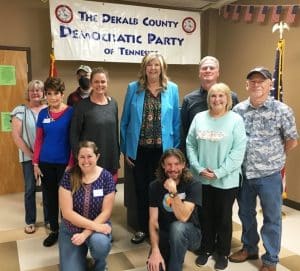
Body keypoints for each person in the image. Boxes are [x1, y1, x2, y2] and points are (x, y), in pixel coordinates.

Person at [229, 67, 298, 271]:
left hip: (270, 175)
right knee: (245, 214)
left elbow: (292, 140)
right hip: (245, 174)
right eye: (253, 81)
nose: (257, 85)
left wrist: (273, 158)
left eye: (262, 81)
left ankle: (270, 259)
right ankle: (249, 247)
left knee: (272, 217)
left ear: (270, 85)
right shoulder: (238, 110)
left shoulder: (282, 110)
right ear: (247, 85)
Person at [120, 52, 180, 244]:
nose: (153, 68)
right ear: (144, 68)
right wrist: (125, 149)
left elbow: (176, 123)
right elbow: (125, 121)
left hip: (163, 152)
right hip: (139, 150)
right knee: (141, 190)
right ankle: (142, 228)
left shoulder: (172, 89)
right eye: (149, 65)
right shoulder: (134, 88)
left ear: (162, 68)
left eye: (157, 65)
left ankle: (161, 226)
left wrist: (174, 152)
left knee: (163, 190)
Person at [186, 83, 247, 270]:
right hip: (202, 177)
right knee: (205, 216)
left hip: (226, 180)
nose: (217, 99)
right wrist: (198, 168)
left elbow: (238, 152)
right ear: (208, 99)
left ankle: (223, 252)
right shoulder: (199, 117)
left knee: (223, 217)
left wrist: (218, 172)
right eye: (213, 96)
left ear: (228, 99)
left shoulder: (235, 120)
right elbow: (190, 144)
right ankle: (206, 249)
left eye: (221, 96)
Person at [59, 141, 115, 271]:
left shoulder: (106, 177)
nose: (86, 161)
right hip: (71, 229)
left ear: (97, 157)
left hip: (97, 228)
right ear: (77, 158)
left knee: (100, 244)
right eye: (82, 157)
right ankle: (80, 257)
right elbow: (67, 213)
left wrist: (85, 234)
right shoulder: (69, 176)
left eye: (89, 156)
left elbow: (106, 212)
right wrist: (95, 227)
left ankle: (100, 265)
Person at [33, 77, 73, 247]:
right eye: (49, 94)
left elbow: (74, 140)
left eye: (56, 93)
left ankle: (66, 229)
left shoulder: (71, 112)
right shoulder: (43, 113)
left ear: (62, 94)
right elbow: (39, 140)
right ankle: (54, 230)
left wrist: (71, 163)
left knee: (65, 198)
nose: (52, 97)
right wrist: (35, 163)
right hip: (46, 163)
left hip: (65, 164)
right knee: (49, 198)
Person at [147, 148, 201, 271]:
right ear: (163, 165)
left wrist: (173, 192)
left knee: (177, 227)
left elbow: (183, 217)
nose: (173, 168)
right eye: (169, 164)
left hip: (191, 234)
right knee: (155, 267)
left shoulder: (193, 184)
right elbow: (153, 221)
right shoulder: (154, 186)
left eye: (177, 164)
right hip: (165, 234)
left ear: (183, 164)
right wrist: (155, 251)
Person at [181, 56, 239, 155]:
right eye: (204, 68)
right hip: (198, 156)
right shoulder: (189, 100)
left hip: (225, 155)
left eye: (212, 68)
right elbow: (184, 132)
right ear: (199, 73)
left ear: (218, 73)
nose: (208, 70)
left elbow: (237, 130)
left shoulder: (231, 97)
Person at [70, 67, 120, 182]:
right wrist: (79, 157)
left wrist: (116, 156)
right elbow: (74, 135)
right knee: (91, 197)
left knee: (109, 194)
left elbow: (115, 132)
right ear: (91, 83)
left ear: (107, 83)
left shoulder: (113, 104)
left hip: (110, 157)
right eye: (96, 82)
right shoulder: (81, 106)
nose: (100, 85)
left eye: (103, 81)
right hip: (90, 160)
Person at [11, 80, 47, 234]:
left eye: (39, 90)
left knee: (48, 189)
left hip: (48, 158)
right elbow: (16, 137)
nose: (35, 93)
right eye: (32, 90)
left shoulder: (49, 109)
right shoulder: (20, 110)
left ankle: (50, 219)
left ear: (43, 92)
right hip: (28, 157)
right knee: (30, 189)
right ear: (28, 93)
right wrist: (33, 157)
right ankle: (30, 220)